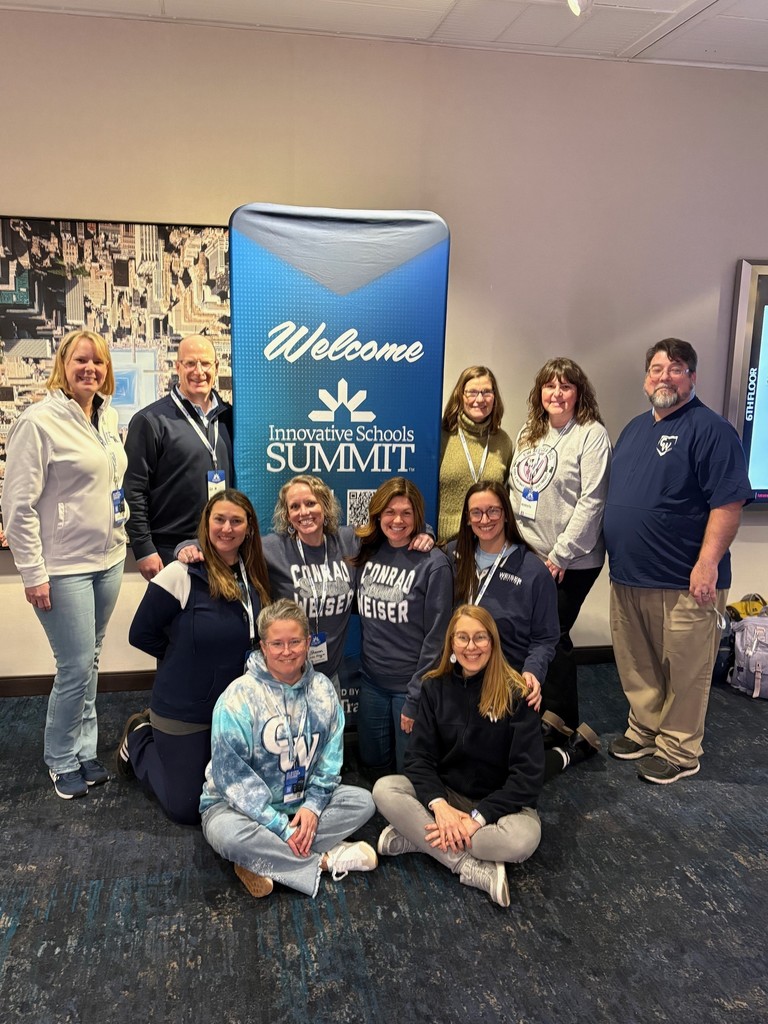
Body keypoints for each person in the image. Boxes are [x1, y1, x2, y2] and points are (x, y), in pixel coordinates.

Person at [604, 338, 752, 785]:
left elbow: (727, 504)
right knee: (638, 662)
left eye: (676, 368)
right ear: (645, 378)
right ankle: (646, 728)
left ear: (692, 377)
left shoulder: (711, 430)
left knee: (687, 669)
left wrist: (707, 563)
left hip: (684, 580)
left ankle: (680, 748)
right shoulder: (634, 429)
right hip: (630, 575)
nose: (664, 376)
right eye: (656, 368)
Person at [1, 329, 127, 800]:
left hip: (110, 558)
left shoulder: (107, 416)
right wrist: (33, 573)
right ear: (63, 363)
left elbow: (112, 483)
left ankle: (85, 749)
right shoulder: (39, 422)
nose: (90, 369)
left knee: (90, 659)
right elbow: (17, 507)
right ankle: (59, 757)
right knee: (74, 665)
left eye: (97, 362)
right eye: (81, 361)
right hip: (64, 567)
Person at [177, 474, 437, 691]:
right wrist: (187, 546)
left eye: (311, 503)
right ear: (287, 514)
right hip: (285, 676)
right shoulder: (272, 549)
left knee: (327, 747)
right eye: (295, 507)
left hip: (329, 677)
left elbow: (393, 527)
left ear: (324, 505)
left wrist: (426, 532)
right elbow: (225, 541)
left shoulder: (349, 540)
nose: (304, 513)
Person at [200, 599, 378, 899]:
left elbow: (331, 760)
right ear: (262, 646)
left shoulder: (322, 689)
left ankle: (259, 862)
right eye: (277, 643)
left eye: (295, 642)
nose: (286, 651)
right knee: (226, 835)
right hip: (240, 809)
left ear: (308, 643)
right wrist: (281, 828)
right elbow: (234, 783)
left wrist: (313, 805)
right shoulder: (237, 699)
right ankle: (323, 860)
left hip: (300, 802)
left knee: (363, 802)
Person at [372, 606, 544, 908]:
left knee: (522, 840)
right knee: (384, 789)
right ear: (451, 643)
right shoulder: (433, 687)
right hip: (448, 796)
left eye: (480, 638)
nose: (471, 646)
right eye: (462, 638)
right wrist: (440, 808)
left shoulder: (517, 692)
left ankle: (419, 839)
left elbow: (527, 778)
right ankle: (468, 866)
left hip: (498, 807)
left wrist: (478, 819)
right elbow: (418, 759)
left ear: (492, 642)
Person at [119, 489, 271, 825]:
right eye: (219, 519)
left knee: (251, 792)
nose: (227, 528)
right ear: (207, 524)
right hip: (186, 709)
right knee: (186, 808)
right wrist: (184, 658)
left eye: (236, 521)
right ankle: (140, 737)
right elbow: (140, 633)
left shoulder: (256, 574)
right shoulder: (182, 572)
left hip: (236, 710)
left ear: (249, 528)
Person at [448, 481, 599, 776]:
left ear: (506, 514)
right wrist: (426, 537)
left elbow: (546, 638)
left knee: (497, 774)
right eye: (476, 513)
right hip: (459, 675)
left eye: (493, 511)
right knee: (452, 758)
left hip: (504, 680)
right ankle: (541, 730)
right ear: (467, 518)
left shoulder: (532, 571)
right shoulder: (453, 556)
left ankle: (569, 752)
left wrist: (533, 672)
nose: (485, 519)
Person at [509, 357, 612, 730]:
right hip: (530, 553)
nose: (557, 393)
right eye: (550, 386)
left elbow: (593, 500)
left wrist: (559, 555)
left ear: (578, 393)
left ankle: (563, 720)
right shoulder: (528, 432)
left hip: (572, 559)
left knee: (553, 634)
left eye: (565, 386)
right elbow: (516, 490)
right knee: (533, 630)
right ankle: (536, 709)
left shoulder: (591, 434)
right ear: (540, 393)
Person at [351, 477, 454, 776]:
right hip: (371, 683)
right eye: (390, 512)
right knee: (373, 765)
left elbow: (437, 639)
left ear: (418, 516)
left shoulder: (434, 564)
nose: (397, 520)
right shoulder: (367, 550)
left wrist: (415, 697)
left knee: (410, 772)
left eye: (407, 513)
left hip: (409, 688)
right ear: (378, 515)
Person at [124, 334, 233, 581]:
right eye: (190, 363)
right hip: (170, 551)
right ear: (177, 367)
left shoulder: (230, 418)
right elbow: (133, 490)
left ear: (216, 367)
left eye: (205, 364)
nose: (199, 371)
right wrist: (143, 549)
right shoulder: (150, 421)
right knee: (178, 620)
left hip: (224, 545)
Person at [438, 366, 514, 543]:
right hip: (445, 543)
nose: (479, 399)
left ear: (494, 397)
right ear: (460, 395)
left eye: (486, 392)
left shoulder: (503, 442)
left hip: (488, 542)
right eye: (472, 392)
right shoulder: (441, 436)